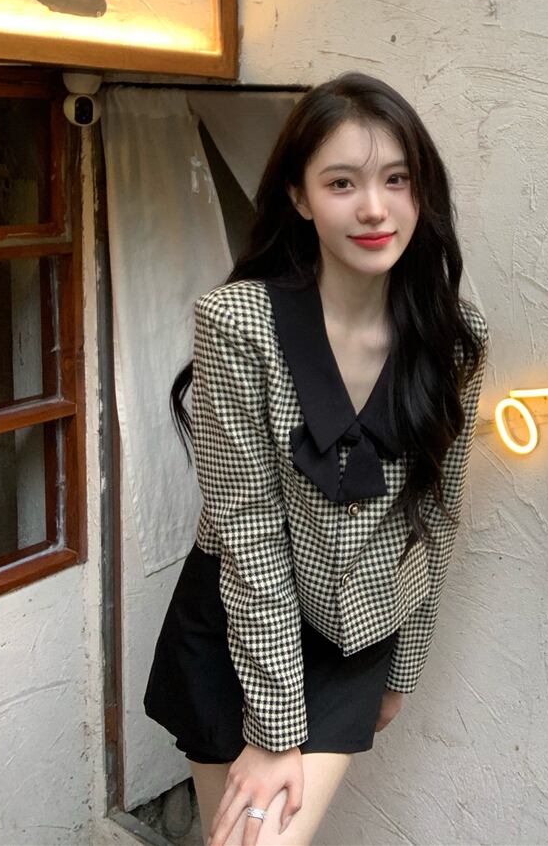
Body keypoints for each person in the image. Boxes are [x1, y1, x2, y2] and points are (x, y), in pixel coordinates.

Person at [143, 71, 490, 846]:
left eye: (397, 179)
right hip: (240, 618)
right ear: (300, 197)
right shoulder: (238, 323)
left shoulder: (453, 339)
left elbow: (436, 517)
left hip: (355, 633)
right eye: (342, 182)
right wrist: (273, 730)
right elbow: (248, 532)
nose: (375, 208)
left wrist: (402, 667)